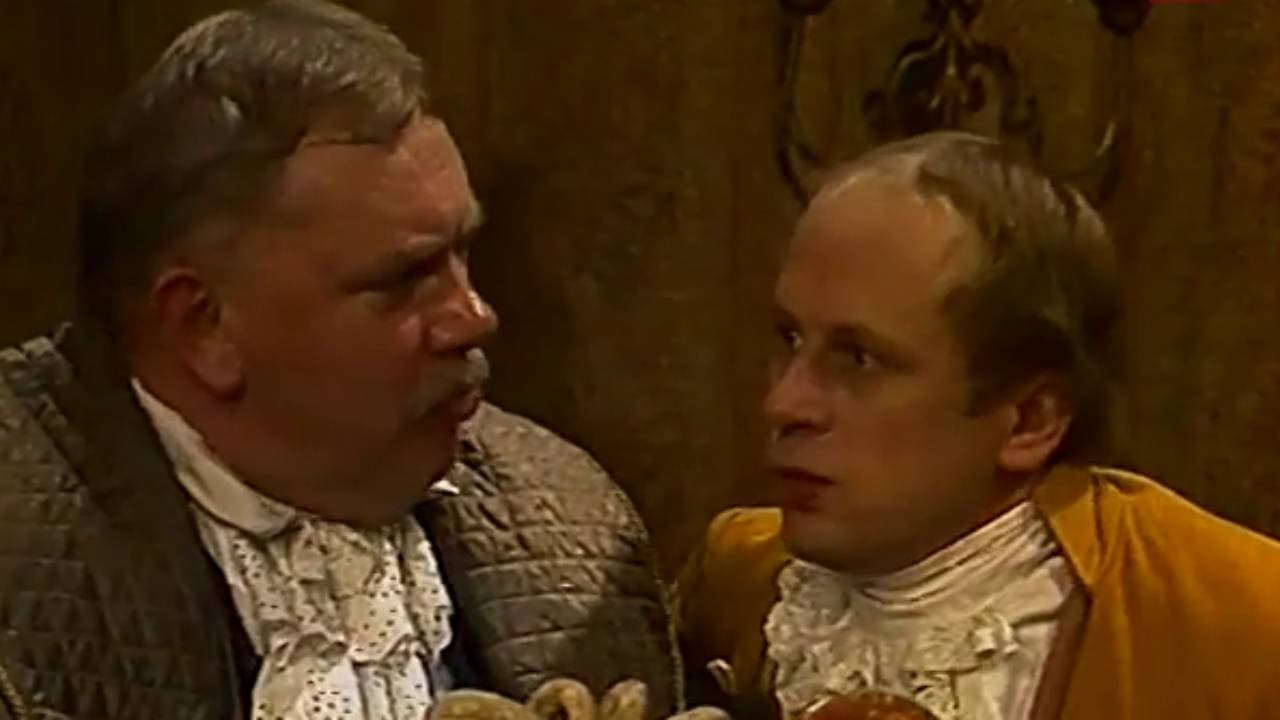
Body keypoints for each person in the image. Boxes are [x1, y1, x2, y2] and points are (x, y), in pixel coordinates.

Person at [0, 2, 677, 718]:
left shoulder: (570, 516)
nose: (475, 317)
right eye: (404, 280)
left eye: (462, 254)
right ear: (204, 325)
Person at [676, 131, 1280, 720]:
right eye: (789, 338)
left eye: (858, 359)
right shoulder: (739, 577)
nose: (783, 403)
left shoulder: (1240, 625)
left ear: (1030, 422)